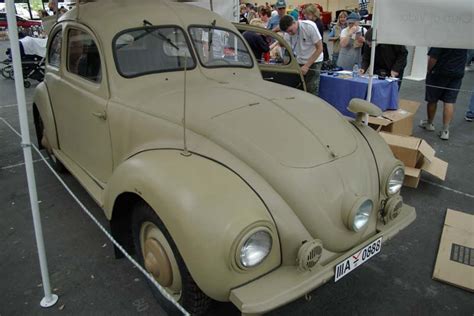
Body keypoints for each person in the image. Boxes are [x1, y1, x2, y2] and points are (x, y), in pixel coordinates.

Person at [419, 48, 467, 140]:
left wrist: (429, 70)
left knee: (432, 99)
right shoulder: (463, 39)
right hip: (457, 73)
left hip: (439, 73)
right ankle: (445, 131)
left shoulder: (443, 38)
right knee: (449, 101)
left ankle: (429, 123)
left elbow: (433, 58)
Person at [280, 15, 323, 96]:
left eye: (291, 30)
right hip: (299, 61)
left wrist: (307, 66)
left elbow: (320, 48)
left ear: (294, 22)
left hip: (314, 60)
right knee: (298, 88)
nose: (290, 33)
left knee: (311, 89)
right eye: (287, 32)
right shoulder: (287, 34)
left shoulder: (309, 26)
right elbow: (288, 51)